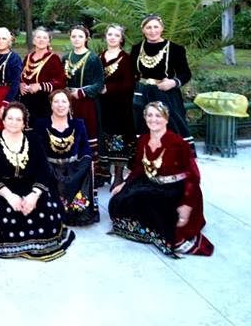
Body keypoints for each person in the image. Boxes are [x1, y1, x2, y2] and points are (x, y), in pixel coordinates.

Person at [109, 102, 214, 256]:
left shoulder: (178, 143)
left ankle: (161, 231)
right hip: (151, 184)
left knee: (162, 212)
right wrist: (124, 184)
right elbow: (139, 168)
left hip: (177, 188)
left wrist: (187, 204)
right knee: (118, 202)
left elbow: (193, 176)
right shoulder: (143, 140)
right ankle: (147, 231)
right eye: (149, 115)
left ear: (166, 119)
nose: (153, 119)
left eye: (158, 115)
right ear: (145, 118)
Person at [0, 102, 76, 260]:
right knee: (9, 216)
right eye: (10, 118)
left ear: (24, 123)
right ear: (3, 120)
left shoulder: (33, 139)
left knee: (45, 212)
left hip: (32, 186)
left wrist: (34, 195)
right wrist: (10, 197)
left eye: (18, 119)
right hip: (4, 189)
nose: (13, 122)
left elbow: (44, 169)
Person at [130, 14, 194, 150]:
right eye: (148, 27)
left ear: (162, 28)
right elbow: (131, 73)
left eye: (156, 27)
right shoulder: (136, 48)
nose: (152, 31)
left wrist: (173, 82)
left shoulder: (175, 49)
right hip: (142, 94)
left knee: (170, 126)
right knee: (141, 126)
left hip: (165, 94)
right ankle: (144, 158)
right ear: (143, 29)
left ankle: (170, 160)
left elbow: (185, 73)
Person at [43, 90, 99, 225]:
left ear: (69, 104)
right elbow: (39, 152)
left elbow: (85, 149)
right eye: (56, 101)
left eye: (64, 101)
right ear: (51, 104)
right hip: (51, 170)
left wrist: (80, 169)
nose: (60, 105)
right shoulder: (41, 124)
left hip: (74, 170)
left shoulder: (78, 124)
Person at [62, 25, 105, 184]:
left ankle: (92, 174)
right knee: (69, 134)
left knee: (88, 135)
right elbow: (61, 79)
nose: (77, 39)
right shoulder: (65, 57)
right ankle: (71, 171)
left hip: (86, 104)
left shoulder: (93, 58)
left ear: (86, 38)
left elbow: (99, 83)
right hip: (68, 104)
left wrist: (81, 92)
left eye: (80, 36)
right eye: (74, 36)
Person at [98, 25, 136, 190]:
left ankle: (118, 176)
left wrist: (109, 88)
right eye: (110, 34)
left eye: (116, 35)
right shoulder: (99, 57)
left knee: (117, 139)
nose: (112, 37)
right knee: (103, 137)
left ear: (121, 39)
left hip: (120, 106)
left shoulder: (126, 59)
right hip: (101, 104)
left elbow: (129, 83)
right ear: (105, 37)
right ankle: (103, 173)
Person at [19, 27, 66, 132]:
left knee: (42, 133)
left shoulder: (53, 59)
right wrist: (20, 85)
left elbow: (61, 82)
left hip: (44, 103)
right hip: (26, 102)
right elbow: (22, 76)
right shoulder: (28, 57)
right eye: (38, 37)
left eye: (44, 38)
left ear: (49, 41)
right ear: (33, 40)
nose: (41, 40)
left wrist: (40, 86)